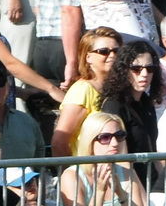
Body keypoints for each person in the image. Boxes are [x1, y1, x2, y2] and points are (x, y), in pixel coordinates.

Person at [52, 27, 124, 158]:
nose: (112, 55)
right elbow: (59, 142)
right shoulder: (82, 90)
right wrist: (74, 168)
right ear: (88, 57)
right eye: (104, 51)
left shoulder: (119, 89)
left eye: (116, 51)